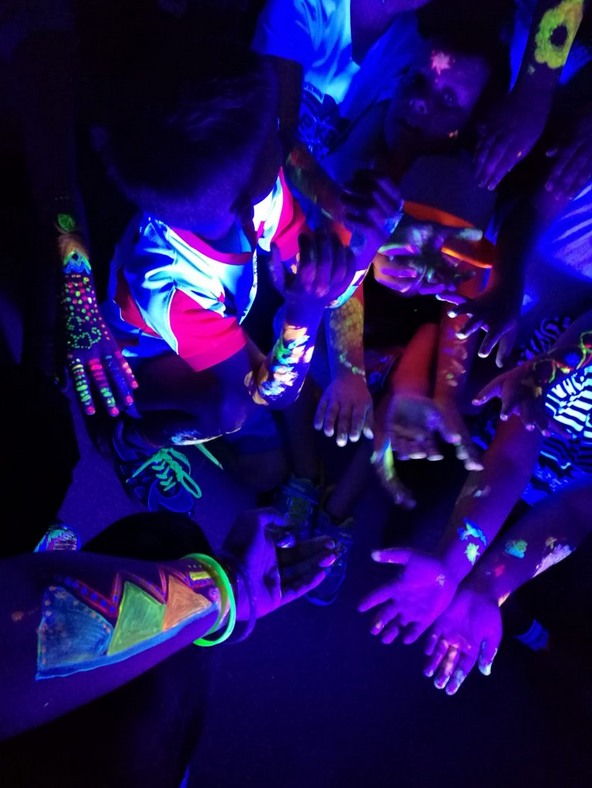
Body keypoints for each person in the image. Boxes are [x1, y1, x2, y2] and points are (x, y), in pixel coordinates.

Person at [96, 27, 401, 517]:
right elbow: (270, 393)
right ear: (242, 202)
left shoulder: (247, 190)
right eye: (275, 135)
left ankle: (297, 468)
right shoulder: (171, 287)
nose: (286, 142)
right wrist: (304, 314)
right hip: (141, 362)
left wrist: (364, 237)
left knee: (267, 454)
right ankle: (130, 440)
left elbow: (321, 278)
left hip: (218, 326)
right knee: (237, 421)